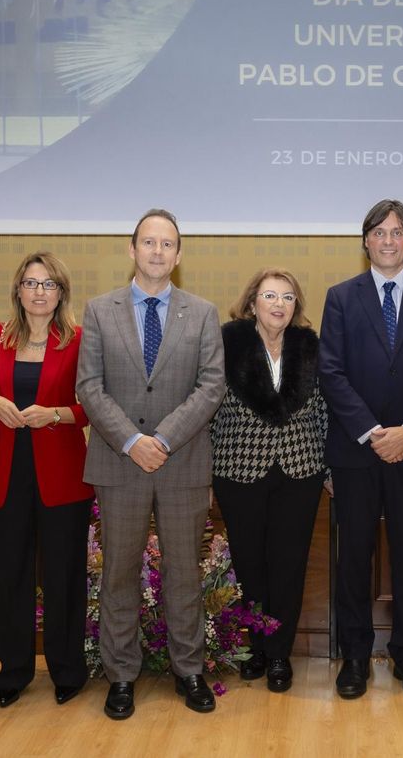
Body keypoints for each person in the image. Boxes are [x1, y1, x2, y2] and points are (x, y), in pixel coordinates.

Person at [77, 208, 226, 719]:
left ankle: (189, 671)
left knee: (184, 573)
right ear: (132, 249)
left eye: (167, 244)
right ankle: (121, 676)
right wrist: (131, 441)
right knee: (119, 573)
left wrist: (161, 438)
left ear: (179, 254)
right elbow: (88, 387)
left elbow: (211, 387)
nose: (158, 252)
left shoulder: (202, 313)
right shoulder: (99, 310)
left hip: (182, 463)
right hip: (119, 465)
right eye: (148, 243)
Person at [319, 198, 403, 700]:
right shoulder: (341, 297)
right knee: (353, 557)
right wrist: (374, 432)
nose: (388, 240)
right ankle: (355, 657)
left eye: (398, 232)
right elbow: (330, 371)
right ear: (365, 240)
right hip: (356, 453)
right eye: (379, 232)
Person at [0, 252, 93, 708]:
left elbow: (92, 406)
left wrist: (55, 413)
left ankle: (68, 670)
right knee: (10, 577)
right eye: (31, 283)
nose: (39, 292)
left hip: (63, 477)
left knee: (64, 578)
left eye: (49, 284)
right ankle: (13, 670)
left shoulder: (78, 340)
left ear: (61, 293)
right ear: (18, 289)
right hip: (7, 473)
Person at [209, 268, 328, 693]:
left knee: (288, 564)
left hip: (300, 470)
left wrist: (328, 468)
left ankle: (279, 653)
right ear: (252, 301)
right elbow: (207, 407)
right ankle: (256, 647)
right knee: (249, 564)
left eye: (288, 297)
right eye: (270, 295)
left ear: (296, 305)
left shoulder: (309, 346)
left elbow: (324, 410)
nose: (279, 304)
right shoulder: (227, 343)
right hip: (237, 470)